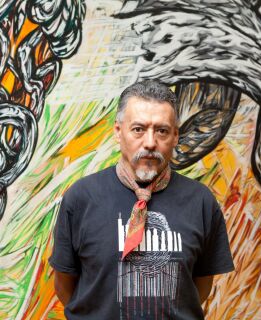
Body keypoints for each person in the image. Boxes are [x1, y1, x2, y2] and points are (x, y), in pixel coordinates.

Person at [49, 80, 234, 319]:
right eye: (138, 129)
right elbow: (65, 287)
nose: (149, 142)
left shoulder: (201, 202)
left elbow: (199, 287)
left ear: (176, 136)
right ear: (118, 132)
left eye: (162, 130)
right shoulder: (81, 198)